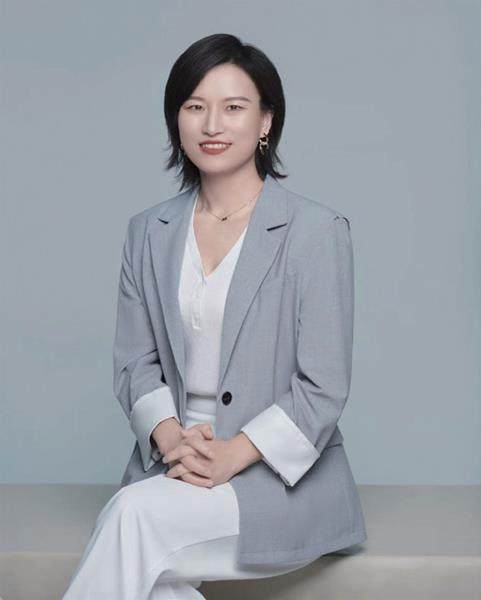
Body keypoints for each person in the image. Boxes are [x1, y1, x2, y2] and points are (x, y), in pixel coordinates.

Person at [62, 33, 367, 599]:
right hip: (172, 466)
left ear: (266, 120)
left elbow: (323, 385)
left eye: (233, 107)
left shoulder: (315, 232)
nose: (211, 125)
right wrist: (170, 438)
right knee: (152, 569)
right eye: (194, 106)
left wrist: (233, 454)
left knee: (130, 518)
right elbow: (135, 363)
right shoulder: (147, 232)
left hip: (275, 480)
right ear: (176, 120)